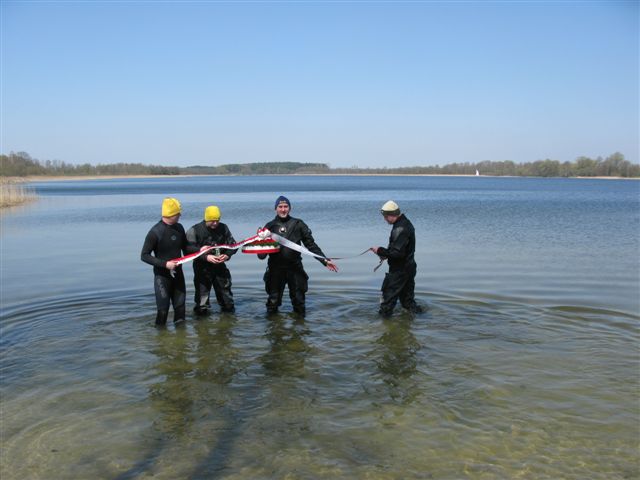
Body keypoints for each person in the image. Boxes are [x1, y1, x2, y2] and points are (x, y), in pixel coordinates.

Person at [258, 195, 338, 316]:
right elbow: (261, 256)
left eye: (286, 206)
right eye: (280, 207)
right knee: (272, 303)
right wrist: (260, 241)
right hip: (275, 269)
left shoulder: (298, 224)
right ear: (276, 209)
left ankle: (300, 329)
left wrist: (324, 260)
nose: (283, 209)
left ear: (290, 208)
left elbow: (311, 245)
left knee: (299, 302)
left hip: (295, 268)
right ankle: (273, 331)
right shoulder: (269, 227)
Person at [370, 200, 423, 317]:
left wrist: (379, 250)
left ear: (392, 214)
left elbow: (397, 253)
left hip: (399, 271)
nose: (384, 219)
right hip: (408, 268)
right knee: (408, 303)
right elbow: (399, 250)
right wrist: (385, 255)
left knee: (387, 302)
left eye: (385, 216)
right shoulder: (405, 223)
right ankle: (423, 320)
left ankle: (384, 327)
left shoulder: (400, 228)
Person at [141, 197, 187, 326]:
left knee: (180, 309)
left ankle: (181, 341)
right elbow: (144, 255)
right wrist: (165, 264)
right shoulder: (155, 232)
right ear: (171, 214)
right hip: (162, 277)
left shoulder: (179, 228)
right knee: (163, 311)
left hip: (178, 275)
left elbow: (186, 248)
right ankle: (161, 341)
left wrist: (201, 251)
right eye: (178, 213)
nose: (180, 215)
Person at [186, 205, 236, 314]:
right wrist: (205, 256)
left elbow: (233, 245)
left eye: (217, 220)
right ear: (206, 219)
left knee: (227, 302)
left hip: (220, 267)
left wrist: (227, 255)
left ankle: (227, 325)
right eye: (212, 221)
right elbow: (187, 249)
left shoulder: (224, 228)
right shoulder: (195, 230)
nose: (215, 223)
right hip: (202, 269)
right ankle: (201, 326)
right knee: (202, 304)